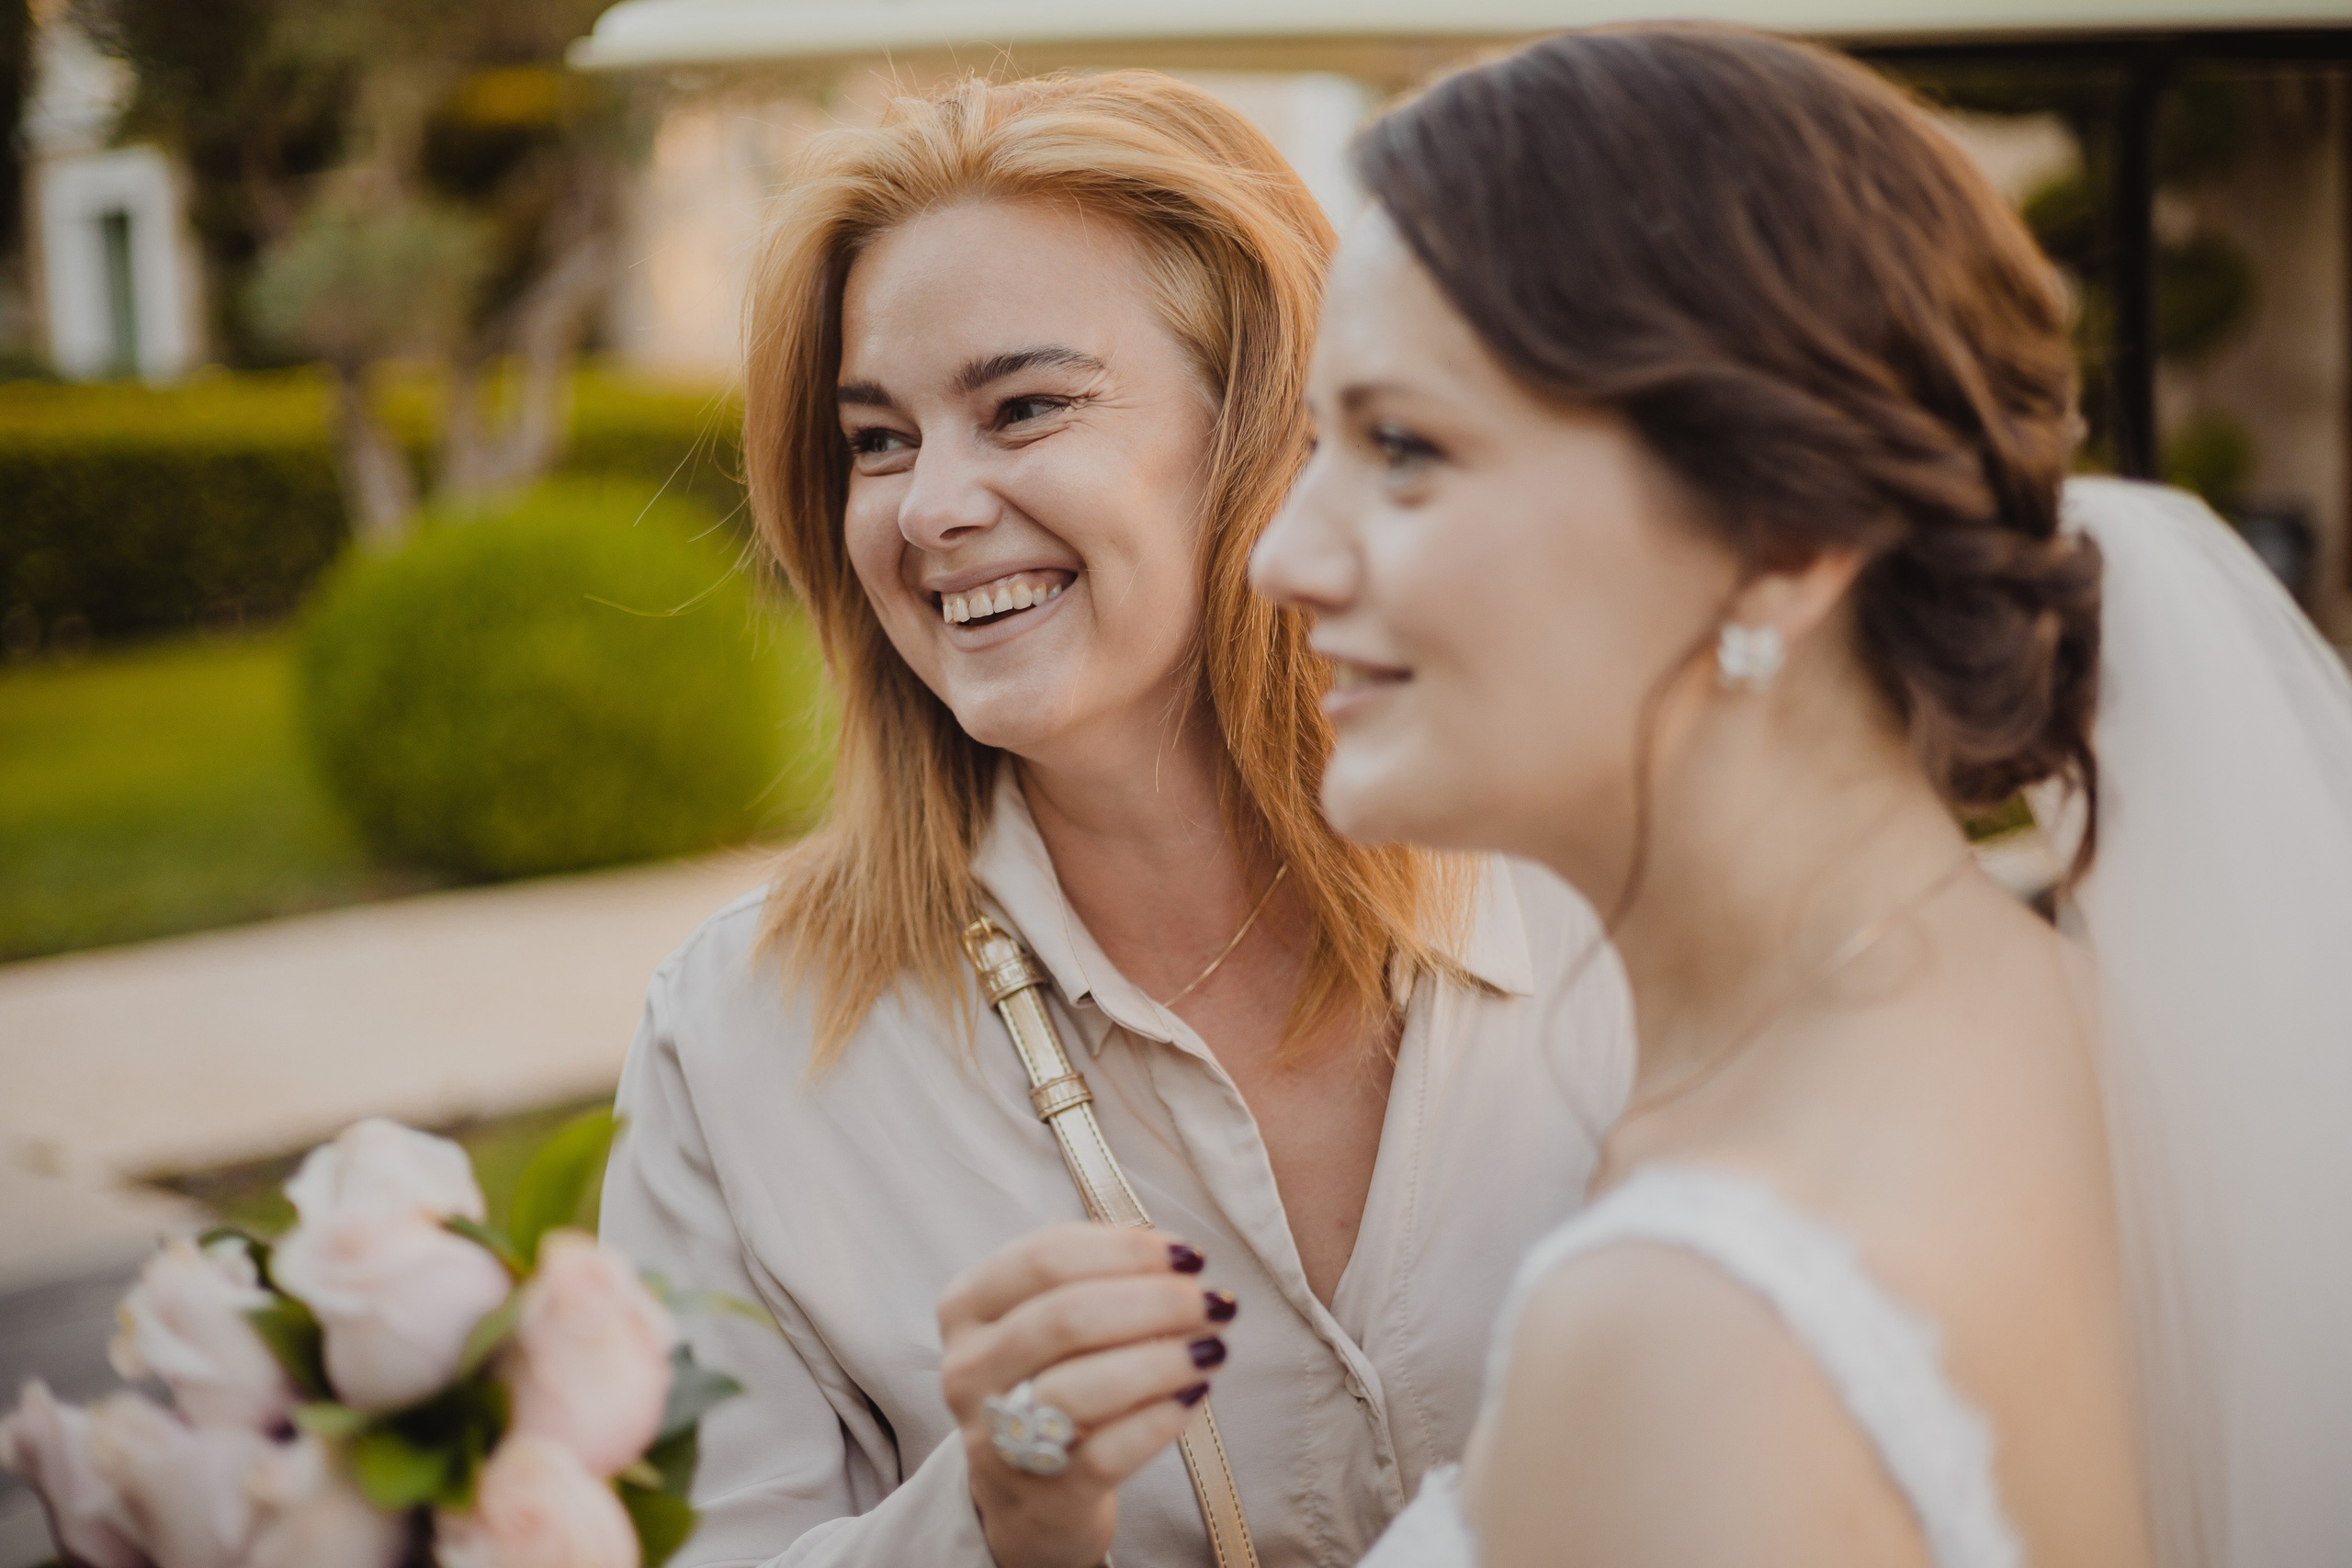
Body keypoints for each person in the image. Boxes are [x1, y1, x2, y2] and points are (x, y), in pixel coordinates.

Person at [1254, 24, 2352, 1568]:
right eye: (1316, 445)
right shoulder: (2079, 1029)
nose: (1281, 559)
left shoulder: (1689, 1330)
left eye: (1405, 448)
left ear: (1783, 537)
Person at [598, 72, 1633, 1568]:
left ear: (1271, 427)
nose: (930, 506)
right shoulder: (739, 1040)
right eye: (877, 440)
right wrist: (994, 1511)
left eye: (1024, 407)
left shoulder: (1598, 882)